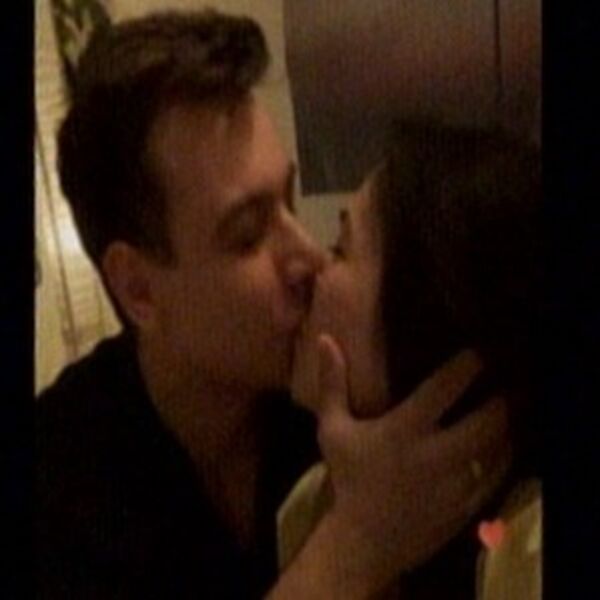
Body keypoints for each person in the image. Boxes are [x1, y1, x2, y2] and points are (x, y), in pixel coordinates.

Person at [36, 10, 510, 599]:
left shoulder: (337, 388)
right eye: (247, 234)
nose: (309, 254)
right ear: (139, 290)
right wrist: (356, 543)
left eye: (289, 200)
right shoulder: (54, 487)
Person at [281, 121, 543, 599]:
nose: (309, 264)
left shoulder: (529, 555)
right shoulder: (311, 507)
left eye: (341, 248)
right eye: (242, 237)